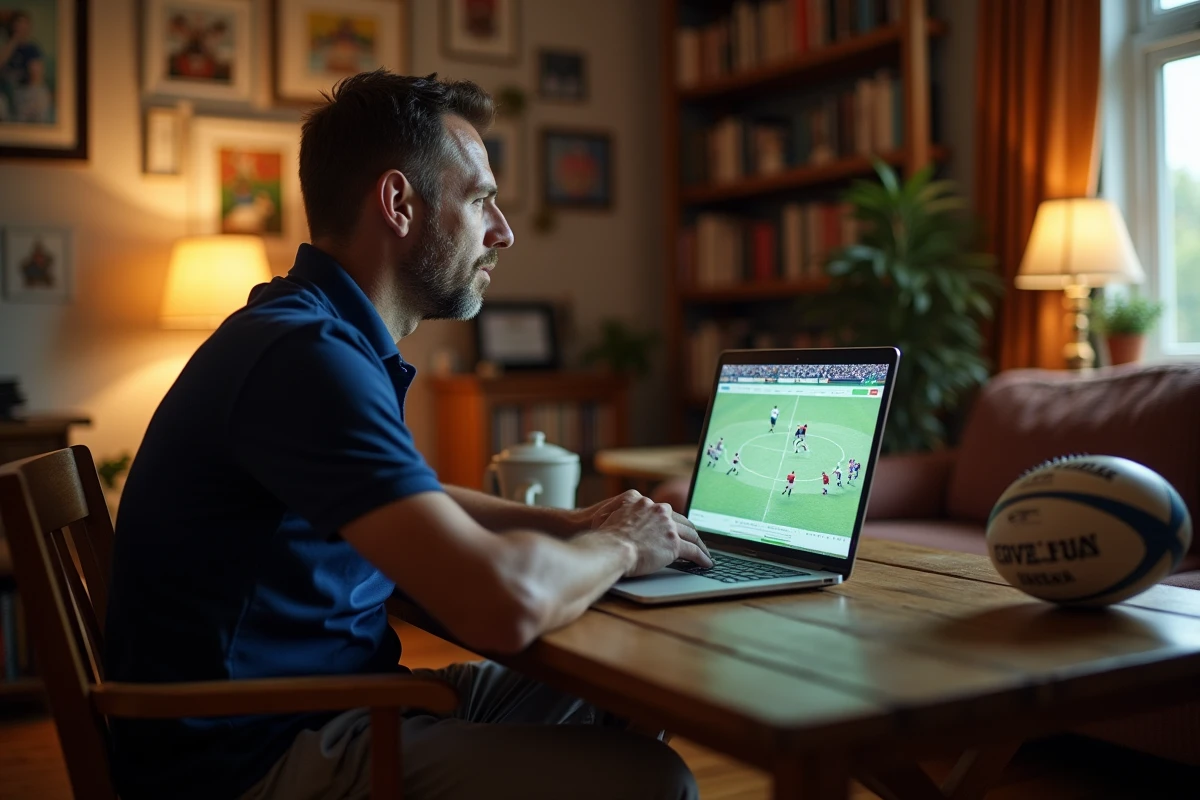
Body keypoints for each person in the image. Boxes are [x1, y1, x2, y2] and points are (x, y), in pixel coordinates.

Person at [104, 71, 707, 800]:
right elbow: (502, 604)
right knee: (655, 780)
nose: (503, 231)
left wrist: (575, 522)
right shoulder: (306, 358)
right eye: (481, 199)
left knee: (625, 695)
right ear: (398, 203)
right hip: (252, 758)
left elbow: (414, 497)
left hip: (327, 706)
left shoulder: (307, 331)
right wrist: (620, 546)